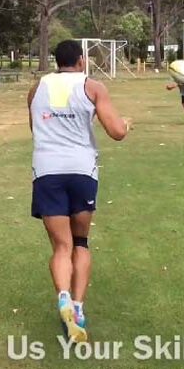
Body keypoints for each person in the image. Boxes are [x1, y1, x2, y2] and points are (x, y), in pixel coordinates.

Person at [28, 40, 131, 342]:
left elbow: (35, 129)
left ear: (56, 61)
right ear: (81, 60)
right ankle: (78, 307)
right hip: (82, 170)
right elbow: (117, 132)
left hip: (47, 171)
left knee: (62, 247)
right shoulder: (93, 87)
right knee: (81, 242)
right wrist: (126, 124)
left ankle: (63, 297)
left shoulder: (36, 89)